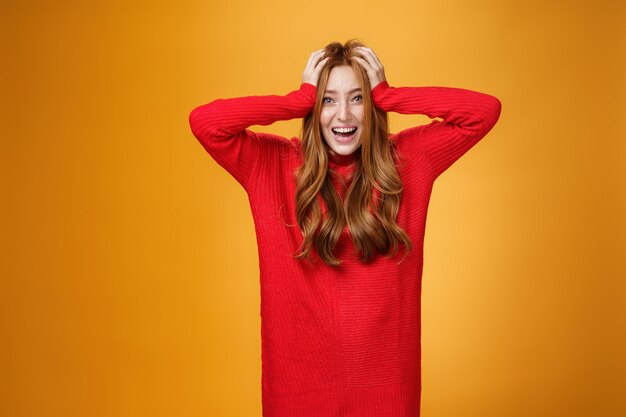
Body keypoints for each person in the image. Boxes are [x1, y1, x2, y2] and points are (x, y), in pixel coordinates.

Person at [189, 40, 501, 417]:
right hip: (297, 391)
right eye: (328, 100)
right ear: (313, 108)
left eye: (357, 99)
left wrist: (391, 93)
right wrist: (296, 99)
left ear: (373, 108)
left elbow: (483, 112)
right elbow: (205, 123)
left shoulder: (407, 161)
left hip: (387, 389)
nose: (344, 115)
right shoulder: (271, 164)